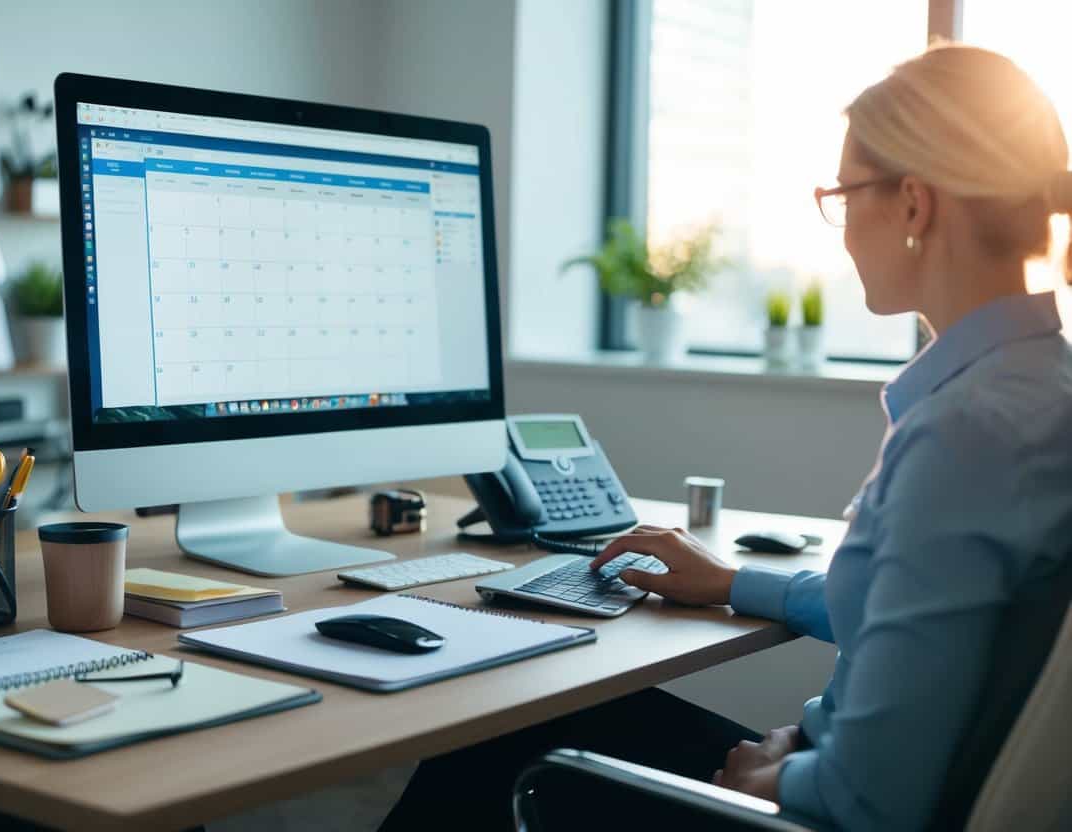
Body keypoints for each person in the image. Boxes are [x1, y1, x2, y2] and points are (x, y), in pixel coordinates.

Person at [379, 43, 1072, 832]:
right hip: (830, 766)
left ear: (913, 205)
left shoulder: (966, 436)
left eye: (843, 195)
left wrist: (778, 777)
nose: (840, 228)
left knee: (496, 738)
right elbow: (922, 614)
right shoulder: (1035, 390)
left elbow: (877, 800)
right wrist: (734, 584)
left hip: (816, 811)